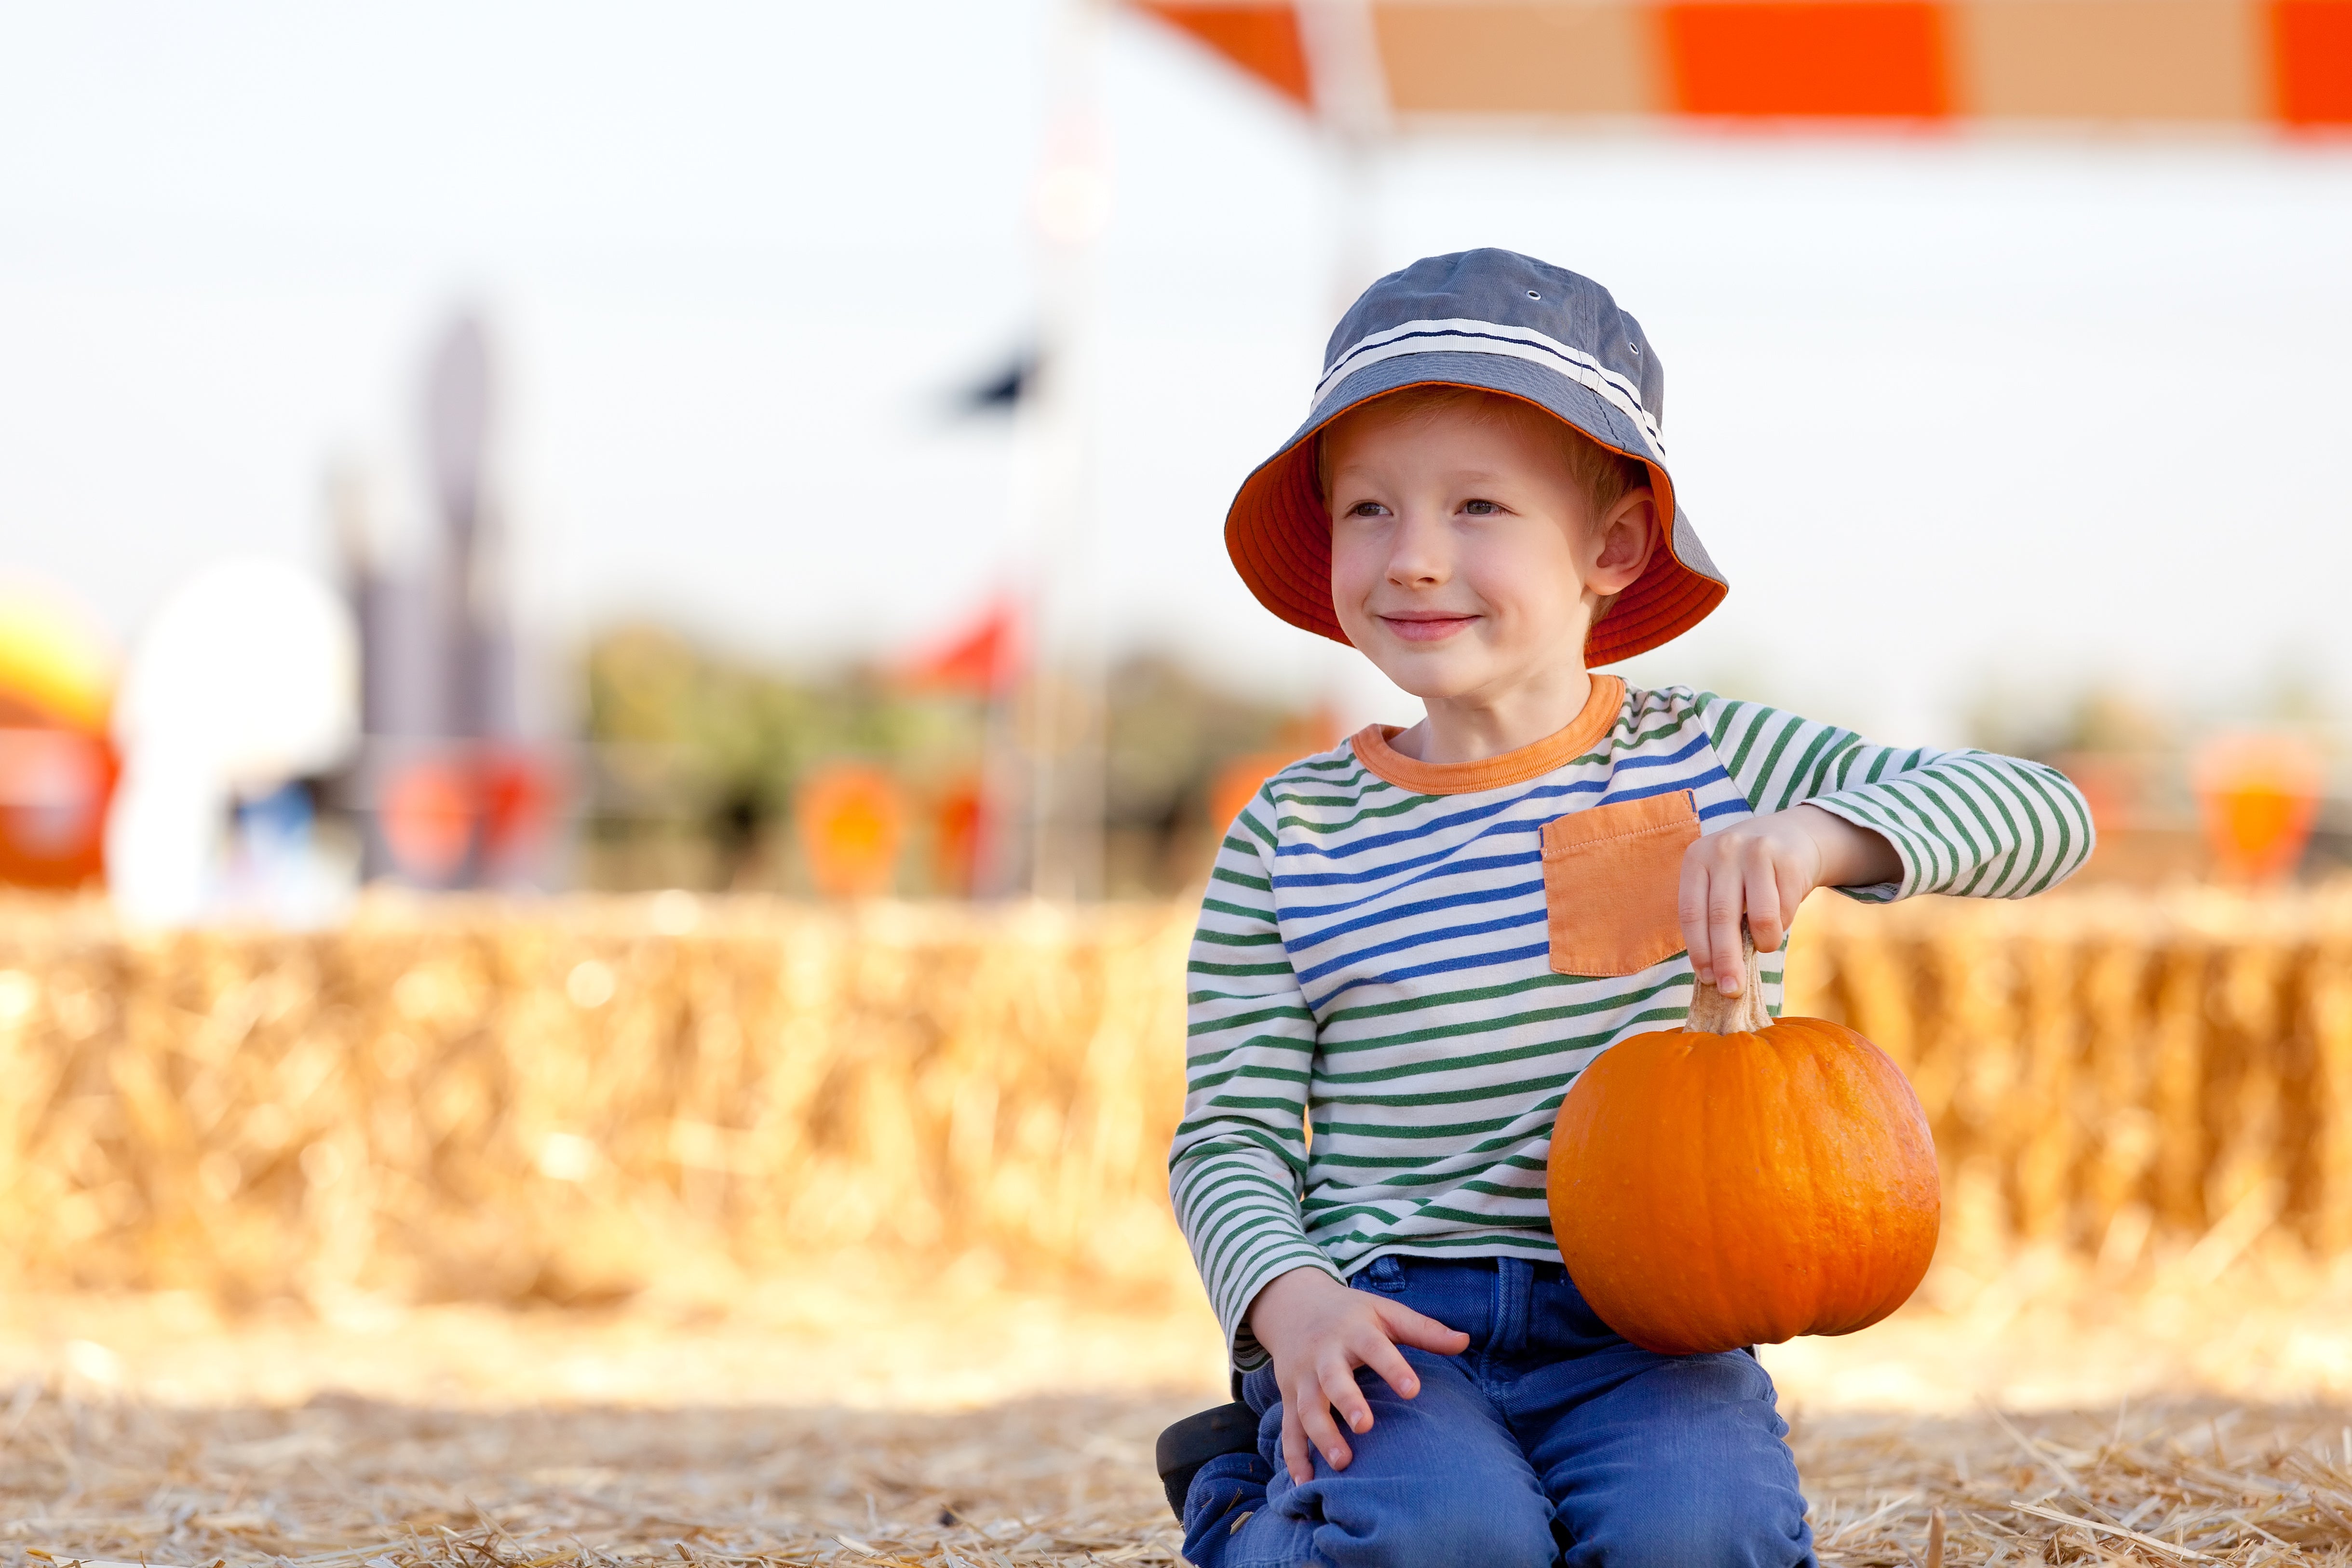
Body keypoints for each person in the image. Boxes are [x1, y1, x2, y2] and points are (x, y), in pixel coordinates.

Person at [1166, 248, 2092, 1568]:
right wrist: (1293, 1304)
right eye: (1368, 509)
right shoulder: (1290, 833)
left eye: (1478, 505)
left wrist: (1823, 832)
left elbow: (2048, 815)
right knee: (1452, 1543)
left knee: (1702, 1536)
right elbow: (1230, 1138)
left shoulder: (1707, 762)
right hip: (1387, 1322)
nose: (1415, 557)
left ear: (1609, 547)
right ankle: (1246, 1511)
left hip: (1647, 1326)